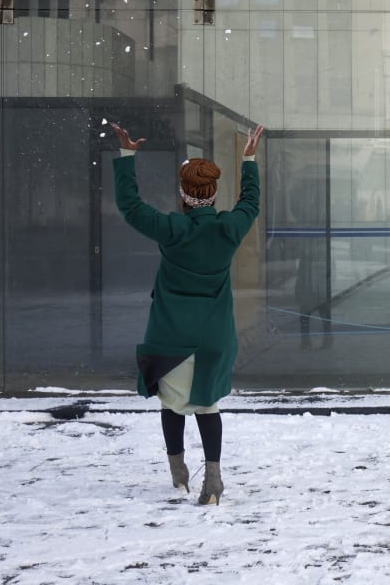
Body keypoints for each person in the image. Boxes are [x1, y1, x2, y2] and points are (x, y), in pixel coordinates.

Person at [111, 122, 264, 505]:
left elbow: (131, 207)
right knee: (207, 407)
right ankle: (212, 482)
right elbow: (250, 203)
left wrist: (128, 155)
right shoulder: (229, 228)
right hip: (214, 340)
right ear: (213, 195)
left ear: (184, 194)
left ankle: (178, 472)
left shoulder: (172, 229)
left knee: (172, 404)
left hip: (171, 339)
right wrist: (249, 159)